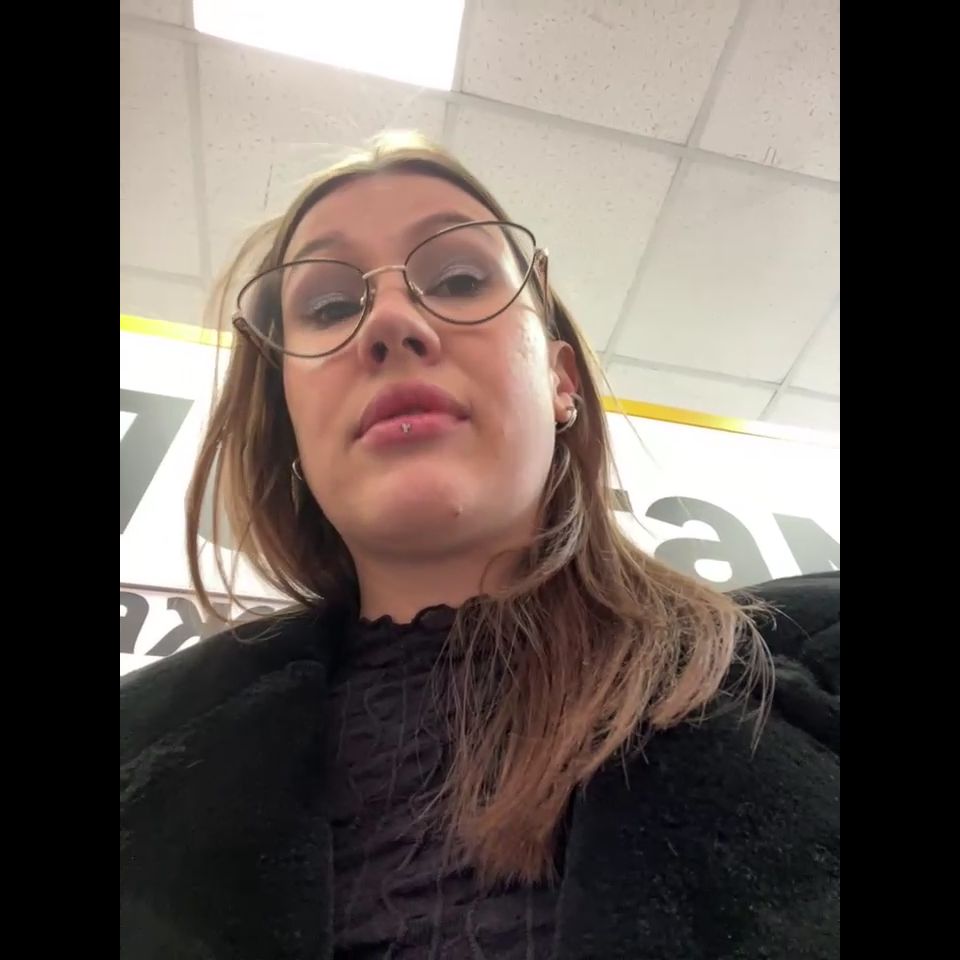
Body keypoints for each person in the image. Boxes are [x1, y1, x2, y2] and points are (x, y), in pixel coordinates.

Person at [119, 131, 840, 959]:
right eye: (329, 306)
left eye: (459, 279)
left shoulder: (812, 671)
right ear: (288, 418)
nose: (391, 321)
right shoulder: (143, 745)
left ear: (561, 380)